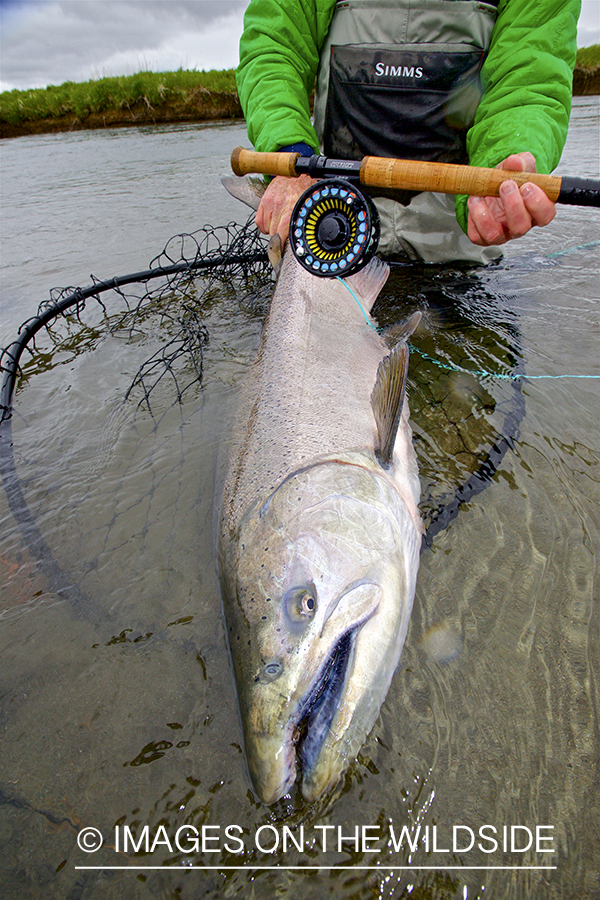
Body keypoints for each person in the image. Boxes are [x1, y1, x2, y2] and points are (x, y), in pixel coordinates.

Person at [236, 0, 581, 264]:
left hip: (461, 256)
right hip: (327, 242)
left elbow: (528, 80)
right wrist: (291, 161)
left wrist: (503, 168)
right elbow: (273, 48)